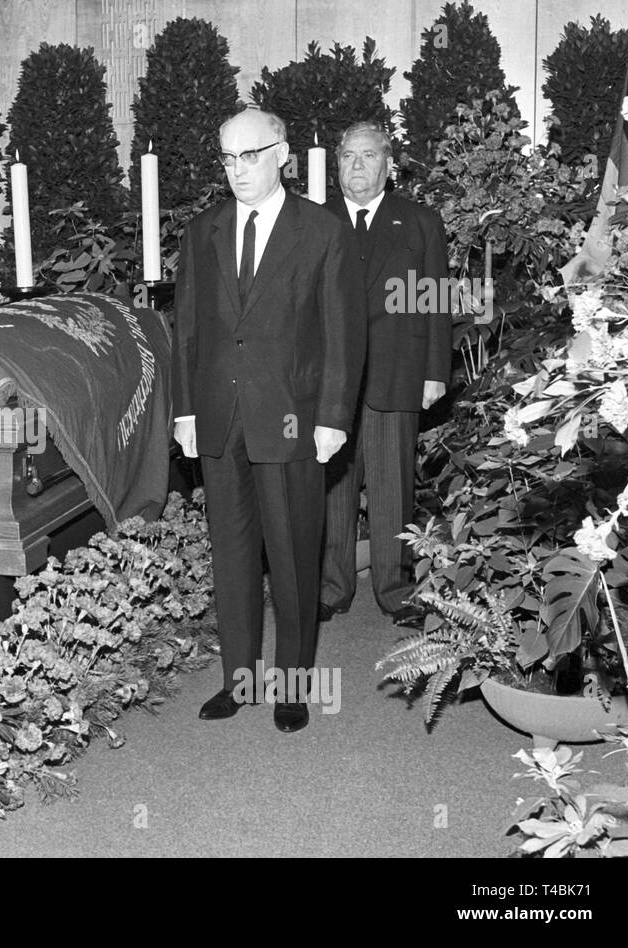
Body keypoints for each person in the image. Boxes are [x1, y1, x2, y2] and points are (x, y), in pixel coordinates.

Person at [172, 108, 365, 733]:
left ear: (282, 154)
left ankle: (290, 686)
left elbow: (344, 332)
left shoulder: (323, 231)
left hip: (292, 423)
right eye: (226, 158)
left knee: (291, 559)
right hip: (220, 421)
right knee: (230, 556)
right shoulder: (202, 232)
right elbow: (189, 333)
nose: (236, 171)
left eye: (248, 156)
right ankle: (238, 680)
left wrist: (334, 417)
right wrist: (184, 412)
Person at [319, 122, 450, 631]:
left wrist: (435, 370)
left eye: (368, 155)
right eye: (348, 156)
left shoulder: (419, 222)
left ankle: (396, 591)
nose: (356, 165)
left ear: (388, 166)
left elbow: (436, 300)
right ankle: (332, 586)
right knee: (333, 487)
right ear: (337, 166)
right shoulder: (313, 221)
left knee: (393, 486)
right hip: (329, 380)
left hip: (397, 372)